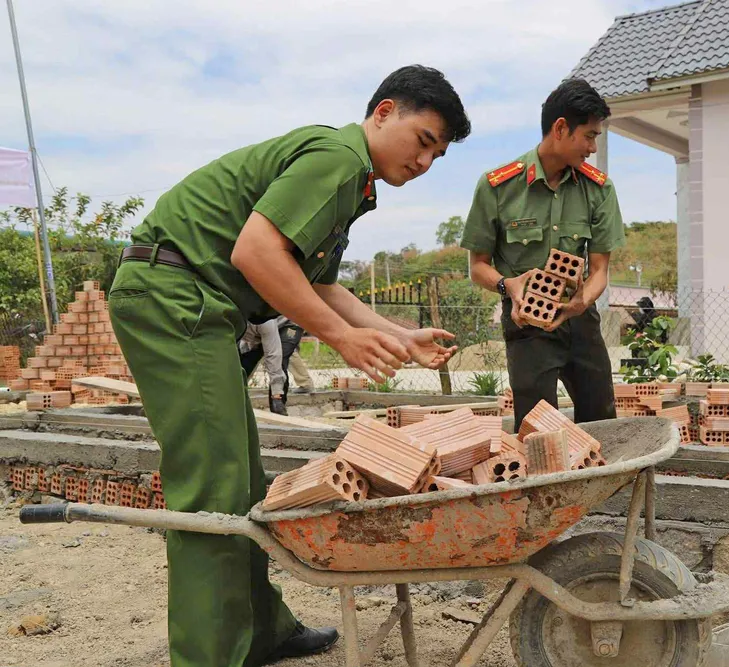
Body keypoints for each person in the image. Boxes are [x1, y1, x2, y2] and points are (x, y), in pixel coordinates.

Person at [107, 65, 469, 667]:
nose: (425, 162)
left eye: (438, 154)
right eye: (423, 141)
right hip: (174, 297)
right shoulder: (337, 158)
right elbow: (256, 252)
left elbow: (322, 287)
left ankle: (261, 631)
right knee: (212, 489)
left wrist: (400, 337)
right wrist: (342, 340)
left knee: (243, 481)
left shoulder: (353, 183)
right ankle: (210, 656)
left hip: (195, 304)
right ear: (383, 113)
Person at [461, 78, 624, 431]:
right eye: (590, 136)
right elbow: (478, 267)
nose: (593, 148)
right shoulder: (497, 187)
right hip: (527, 323)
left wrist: (584, 299)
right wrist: (509, 287)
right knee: (539, 431)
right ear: (561, 128)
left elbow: (599, 270)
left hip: (580, 319)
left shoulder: (599, 189)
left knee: (602, 422)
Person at [239, 319, 289, 415]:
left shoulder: (265, 322)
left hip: (286, 324)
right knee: (245, 363)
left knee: (281, 360)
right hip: (257, 334)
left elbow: (273, 354)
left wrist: (276, 393)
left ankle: (278, 404)